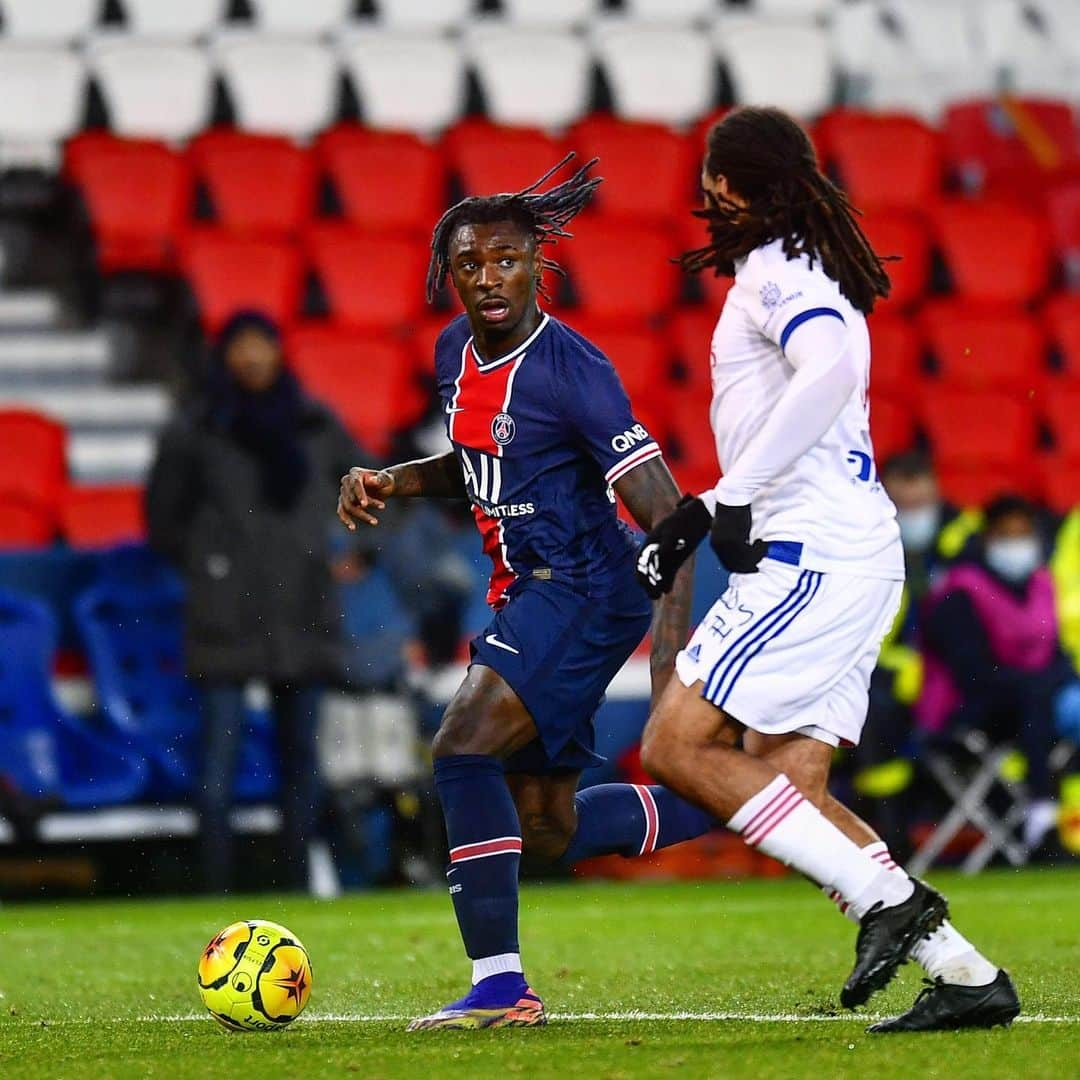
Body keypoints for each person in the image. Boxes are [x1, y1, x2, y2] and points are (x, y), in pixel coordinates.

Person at [633, 107, 1019, 1033]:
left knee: (676, 746)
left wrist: (731, 498)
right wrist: (724, 502)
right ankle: (966, 976)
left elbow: (830, 373)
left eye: (710, 181)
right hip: (853, 549)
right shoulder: (813, 263)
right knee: (787, 787)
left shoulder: (774, 270)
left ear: (726, 186)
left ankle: (889, 905)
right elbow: (819, 383)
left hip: (813, 554)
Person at [338, 157, 714, 1030]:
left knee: (462, 746)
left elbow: (674, 521)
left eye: (506, 259)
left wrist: (668, 689)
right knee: (541, 827)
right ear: (450, 275)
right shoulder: (451, 353)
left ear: (538, 263)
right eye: (469, 264)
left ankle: (501, 987)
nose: (488, 277)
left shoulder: (574, 371)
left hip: (585, 584)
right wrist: (393, 480)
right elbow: (479, 467)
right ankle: (731, 796)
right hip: (530, 591)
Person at [147, 310, 363, 893]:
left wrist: (354, 552)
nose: (251, 358)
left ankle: (295, 888)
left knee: (301, 765)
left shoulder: (316, 424)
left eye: (261, 345)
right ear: (223, 356)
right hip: (227, 613)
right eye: (239, 347)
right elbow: (162, 519)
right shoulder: (195, 428)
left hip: (304, 606)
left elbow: (377, 492)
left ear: (278, 352)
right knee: (216, 769)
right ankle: (214, 892)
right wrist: (208, 565)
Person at [918, 494, 1072, 853]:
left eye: (1024, 535)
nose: (1017, 545)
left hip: (1034, 706)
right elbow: (971, 672)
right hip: (969, 711)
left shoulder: (1041, 584)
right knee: (1036, 692)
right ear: (988, 539)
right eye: (1007, 535)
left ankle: (1056, 811)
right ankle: (1041, 812)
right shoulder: (958, 592)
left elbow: (1056, 653)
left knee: (1055, 695)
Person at [851, 451, 982, 848]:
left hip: (962, 673)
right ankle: (887, 826)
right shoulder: (865, 543)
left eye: (921, 505)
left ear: (937, 495)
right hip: (891, 675)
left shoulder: (967, 543)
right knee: (871, 704)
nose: (913, 515)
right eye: (903, 506)